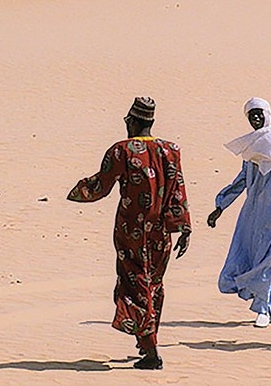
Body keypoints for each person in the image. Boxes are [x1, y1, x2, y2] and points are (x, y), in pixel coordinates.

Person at [66, 97, 191, 370]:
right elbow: (178, 189)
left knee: (134, 283)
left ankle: (150, 352)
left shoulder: (121, 151)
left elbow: (101, 185)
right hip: (161, 234)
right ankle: (146, 339)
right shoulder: (171, 150)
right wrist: (184, 227)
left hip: (131, 231)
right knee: (153, 284)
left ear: (132, 121)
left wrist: (76, 193)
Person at [208, 98, 271, 327]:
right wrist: (220, 205)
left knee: (265, 257)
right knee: (256, 256)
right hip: (252, 211)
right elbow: (242, 179)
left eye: (259, 114)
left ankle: (263, 308)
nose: (256, 119)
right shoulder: (251, 145)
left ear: (268, 114)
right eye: (252, 116)